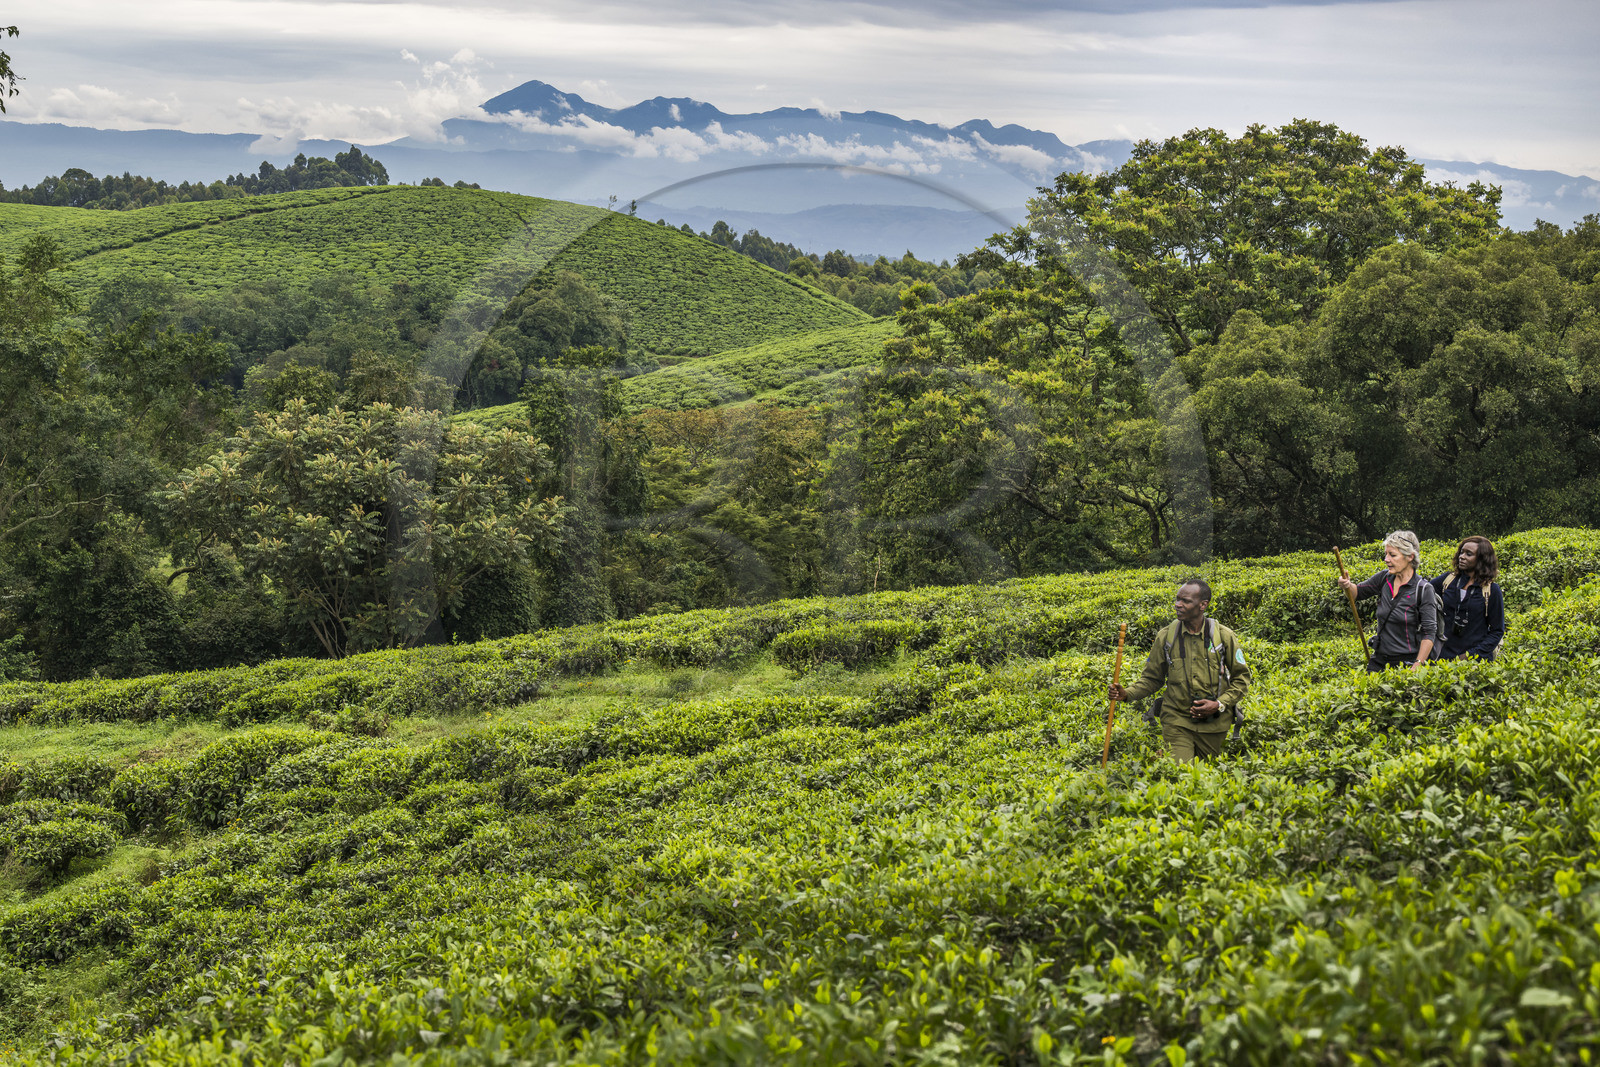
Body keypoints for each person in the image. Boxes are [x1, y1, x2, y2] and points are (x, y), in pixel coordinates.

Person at [1109, 579, 1251, 763]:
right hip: (1176, 719)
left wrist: (1219, 704)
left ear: (1203, 605)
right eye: (1177, 599)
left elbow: (1242, 678)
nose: (1178, 605)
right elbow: (1152, 679)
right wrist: (1127, 693)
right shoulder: (1166, 637)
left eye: (1185, 601)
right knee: (1181, 771)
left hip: (1215, 724)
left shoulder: (1224, 636)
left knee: (1206, 774)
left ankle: (1158, 758)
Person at [1337, 529, 1438, 671]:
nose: (1386, 559)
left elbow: (1429, 632)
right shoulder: (1384, 578)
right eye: (1386, 554)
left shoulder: (1423, 589)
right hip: (1379, 659)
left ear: (1410, 556)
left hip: (1406, 662)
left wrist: (1418, 665)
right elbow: (1357, 593)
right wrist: (1347, 586)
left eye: (1392, 555)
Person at [1429, 536, 1505, 661]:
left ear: (1482, 559)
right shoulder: (1448, 580)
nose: (1462, 556)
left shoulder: (1492, 590)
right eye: (1461, 552)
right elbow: (1423, 591)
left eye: (1468, 554)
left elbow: (1497, 631)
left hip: (1476, 662)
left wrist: (1469, 656)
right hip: (1442, 657)